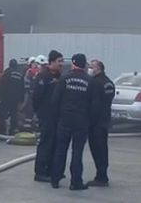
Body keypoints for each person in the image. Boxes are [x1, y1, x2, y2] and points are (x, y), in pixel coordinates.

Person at [50, 53, 93, 191]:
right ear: (84, 64)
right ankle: (76, 182)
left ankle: (55, 179)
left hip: (65, 120)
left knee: (60, 150)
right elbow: (93, 104)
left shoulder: (65, 78)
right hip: (81, 121)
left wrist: (57, 117)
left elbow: (55, 100)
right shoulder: (89, 81)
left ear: (73, 64)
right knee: (77, 152)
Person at [32, 50, 63, 182]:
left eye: (62, 61)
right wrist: (40, 113)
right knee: (45, 143)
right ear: (51, 62)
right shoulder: (43, 76)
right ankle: (40, 172)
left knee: (55, 143)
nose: (61, 64)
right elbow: (36, 97)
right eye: (59, 61)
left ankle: (51, 170)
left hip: (57, 116)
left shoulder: (60, 76)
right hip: (46, 116)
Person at [87, 59, 115, 187]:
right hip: (105, 120)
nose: (89, 69)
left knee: (97, 149)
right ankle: (102, 174)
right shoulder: (109, 82)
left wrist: (90, 121)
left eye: (91, 66)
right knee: (103, 149)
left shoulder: (95, 83)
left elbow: (94, 105)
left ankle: (101, 177)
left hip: (96, 123)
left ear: (98, 68)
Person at [0, 58, 24, 135]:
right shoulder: (20, 74)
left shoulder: (7, 72)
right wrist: (21, 100)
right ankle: (12, 130)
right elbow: (22, 88)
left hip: (6, 97)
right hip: (15, 99)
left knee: (2, 114)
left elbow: (2, 84)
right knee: (14, 114)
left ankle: (1, 131)